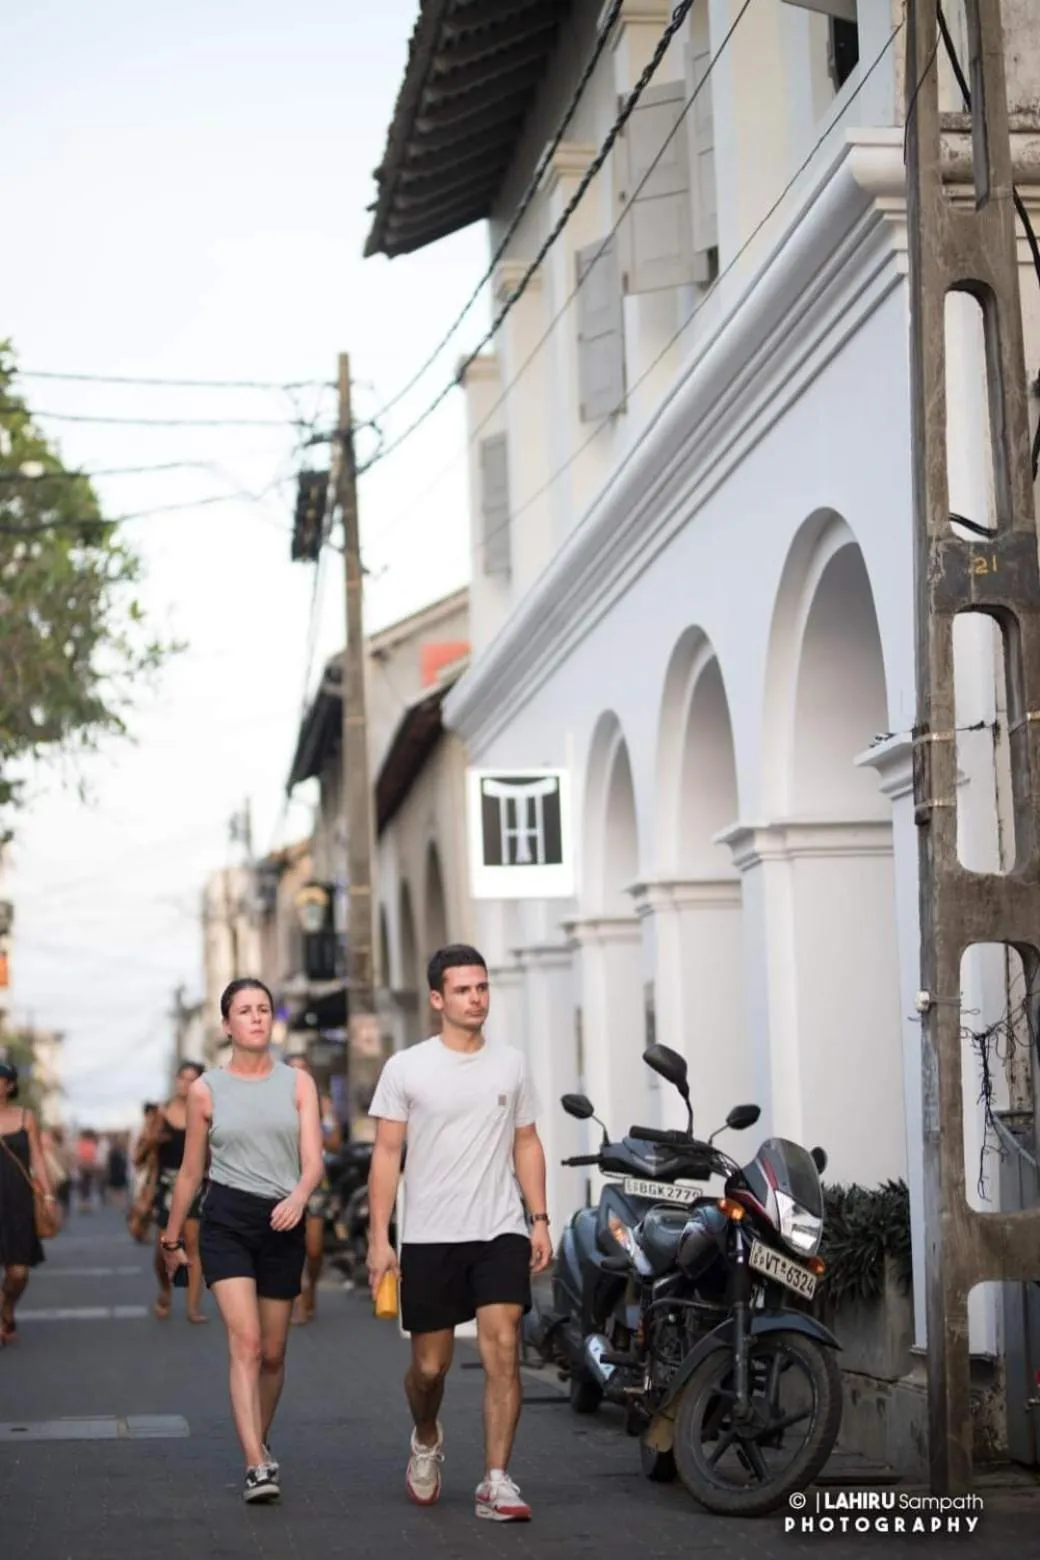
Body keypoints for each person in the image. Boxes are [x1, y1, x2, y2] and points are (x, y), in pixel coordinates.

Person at [367, 944, 552, 1524]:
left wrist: (539, 1216)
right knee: (431, 1368)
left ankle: (496, 1481)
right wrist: (379, 1237)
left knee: (503, 1348)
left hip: (498, 1227)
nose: (477, 998)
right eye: (465, 990)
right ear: (438, 999)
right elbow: (387, 1152)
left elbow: (526, 1140)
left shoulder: (511, 1064)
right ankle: (426, 1434)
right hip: (428, 1235)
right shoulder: (406, 1068)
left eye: (483, 987)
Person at [161, 978, 323, 1504]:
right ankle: (255, 1462)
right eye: (244, 1011)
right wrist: (171, 1238)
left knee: (274, 1353)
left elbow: (315, 1159)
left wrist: (299, 1196)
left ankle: (261, 1437)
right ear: (227, 1025)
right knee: (247, 1343)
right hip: (227, 1219)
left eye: (263, 1009)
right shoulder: (206, 1090)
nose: (256, 1018)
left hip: (284, 1217)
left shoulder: (298, 1083)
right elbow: (190, 1172)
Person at [139, 1063, 207, 1322]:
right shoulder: (160, 1113)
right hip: (166, 1185)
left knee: (192, 1243)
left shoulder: (205, 1112)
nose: (186, 1084)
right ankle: (166, 1290)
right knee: (164, 1248)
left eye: (193, 1079)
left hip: (196, 1183)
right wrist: (152, 1140)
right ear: (176, 1080)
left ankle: (192, 1306)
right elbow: (139, 1157)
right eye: (183, 1078)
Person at [0, 1061, 58, 1345]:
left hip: (18, 1201)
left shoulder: (26, 1118)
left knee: (18, 1272)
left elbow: (37, 1159)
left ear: (9, 1085)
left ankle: (7, 1305)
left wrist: (47, 1195)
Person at [285, 1054, 342, 1324]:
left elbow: (335, 1143)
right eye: (293, 1069)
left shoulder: (322, 1105)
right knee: (292, 1246)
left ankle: (312, 1286)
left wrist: (321, 1122)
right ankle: (298, 1299)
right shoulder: (276, 1103)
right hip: (284, 1182)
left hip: (316, 1183)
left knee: (315, 1248)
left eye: (303, 1069)